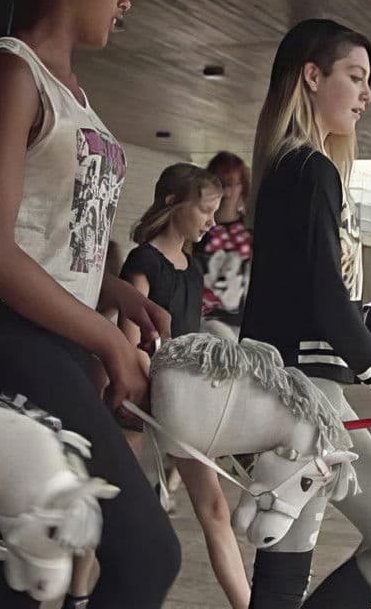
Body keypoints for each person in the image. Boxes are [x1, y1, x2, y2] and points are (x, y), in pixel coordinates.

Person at [0, 0, 180, 607]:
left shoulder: (68, 89)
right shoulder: (11, 72)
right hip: (17, 341)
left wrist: (116, 296)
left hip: (59, 342)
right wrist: (106, 340)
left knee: (24, 561)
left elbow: (50, 237)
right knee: (146, 554)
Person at [240, 18, 371, 609]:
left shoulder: (292, 168)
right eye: (356, 77)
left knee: (285, 572)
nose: (368, 94)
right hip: (305, 397)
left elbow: (306, 294)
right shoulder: (311, 169)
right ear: (312, 76)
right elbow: (322, 302)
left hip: (295, 392)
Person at [119, 163, 250, 609]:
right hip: (141, 397)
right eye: (205, 210)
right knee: (116, 507)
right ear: (173, 203)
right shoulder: (143, 261)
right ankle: (81, 594)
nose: (212, 221)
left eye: (215, 212)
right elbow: (129, 342)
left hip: (184, 403)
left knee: (215, 508)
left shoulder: (192, 267)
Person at [194, 151, 253, 340]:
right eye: (220, 183)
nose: (226, 192)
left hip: (240, 328)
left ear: (242, 187)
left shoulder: (252, 234)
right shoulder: (195, 229)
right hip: (197, 325)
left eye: (231, 184)